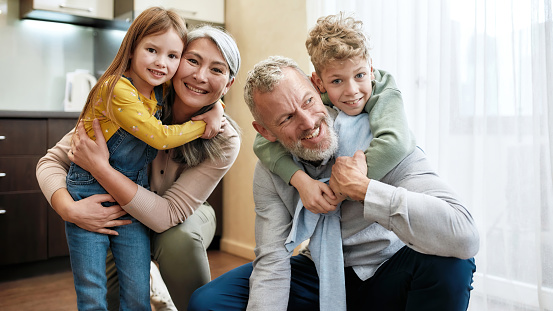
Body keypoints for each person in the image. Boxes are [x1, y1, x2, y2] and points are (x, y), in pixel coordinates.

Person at [187, 56, 479, 311]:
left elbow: (465, 234)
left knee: (452, 262)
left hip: (389, 269)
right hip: (321, 271)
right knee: (209, 302)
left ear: (319, 90)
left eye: (308, 101)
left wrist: (365, 190)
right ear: (266, 132)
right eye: (287, 117)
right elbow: (273, 261)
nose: (308, 122)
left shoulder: (383, 141)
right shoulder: (272, 171)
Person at [36, 24, 241, 311]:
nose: (200, 75)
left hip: (183, 214)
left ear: (229, 84)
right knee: (111, 299)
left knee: (177, 241)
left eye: (217, 70)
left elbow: (167, 214)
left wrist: (100, 169)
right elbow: (51, 161)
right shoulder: (134, 103)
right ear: (177, 62)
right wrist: (68, 209)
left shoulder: (226, 138)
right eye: (192, 61)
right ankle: (153, 286)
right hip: (122, 215)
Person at [253, 13, 415, 214]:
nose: (352, 90)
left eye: (360, 75)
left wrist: (340, 189)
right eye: (337, 81)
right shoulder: (318, 96)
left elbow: (395, 144)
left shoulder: (384, 91)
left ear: (371, 69)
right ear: (318, 83)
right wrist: (301, 181)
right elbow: (262, 140)